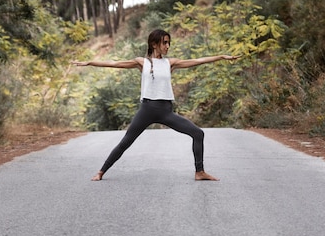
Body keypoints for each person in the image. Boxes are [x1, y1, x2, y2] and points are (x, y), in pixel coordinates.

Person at [72, 29, 240, 181]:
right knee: (126, 142)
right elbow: (115, 63)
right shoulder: (142, 62)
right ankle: (101, 172)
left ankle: (200, 172)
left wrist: (221, 57)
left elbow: (198, 60)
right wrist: (89, 62)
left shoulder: (170, 63)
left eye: (168, 43)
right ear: (154, 44)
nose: (167, 46)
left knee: (198, 134)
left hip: (166, 110)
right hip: (147, 109)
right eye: (164, 42)